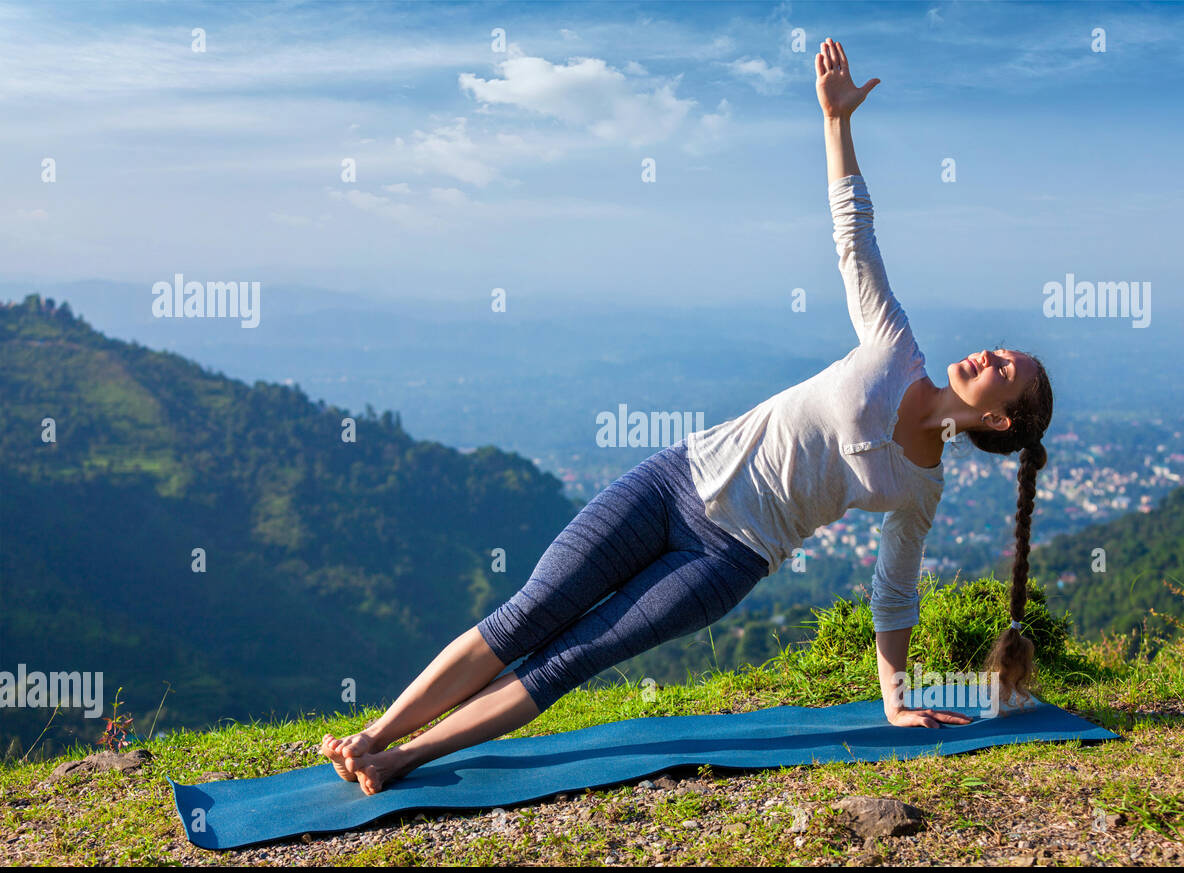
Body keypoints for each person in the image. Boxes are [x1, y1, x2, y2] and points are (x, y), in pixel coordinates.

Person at [321, 38, 1053, 795]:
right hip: (674, 478)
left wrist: (895, 702)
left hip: (726, 559)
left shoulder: (920, 487)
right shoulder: (896, 346)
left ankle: (400, 760)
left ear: (1000, 421)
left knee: (574, 657)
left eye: (1006, 370)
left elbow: (895, 590)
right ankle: (371, 734)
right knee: (528, 615)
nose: (989, 357)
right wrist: (836, 123)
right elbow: (853, 236)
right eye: (999, 350)